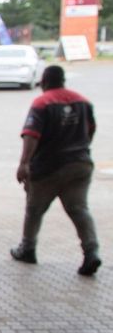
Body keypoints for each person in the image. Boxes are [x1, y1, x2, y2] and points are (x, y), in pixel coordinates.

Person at [11, 64, 101, 275]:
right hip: (80, 164)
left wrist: (24, 163)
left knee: (34, 210)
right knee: (79, 209)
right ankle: (91, 252)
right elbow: (91, 130)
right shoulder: (83, 101)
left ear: (45, 81)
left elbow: (31, 134)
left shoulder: (42, 103)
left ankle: (28, 248)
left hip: (48, 167)